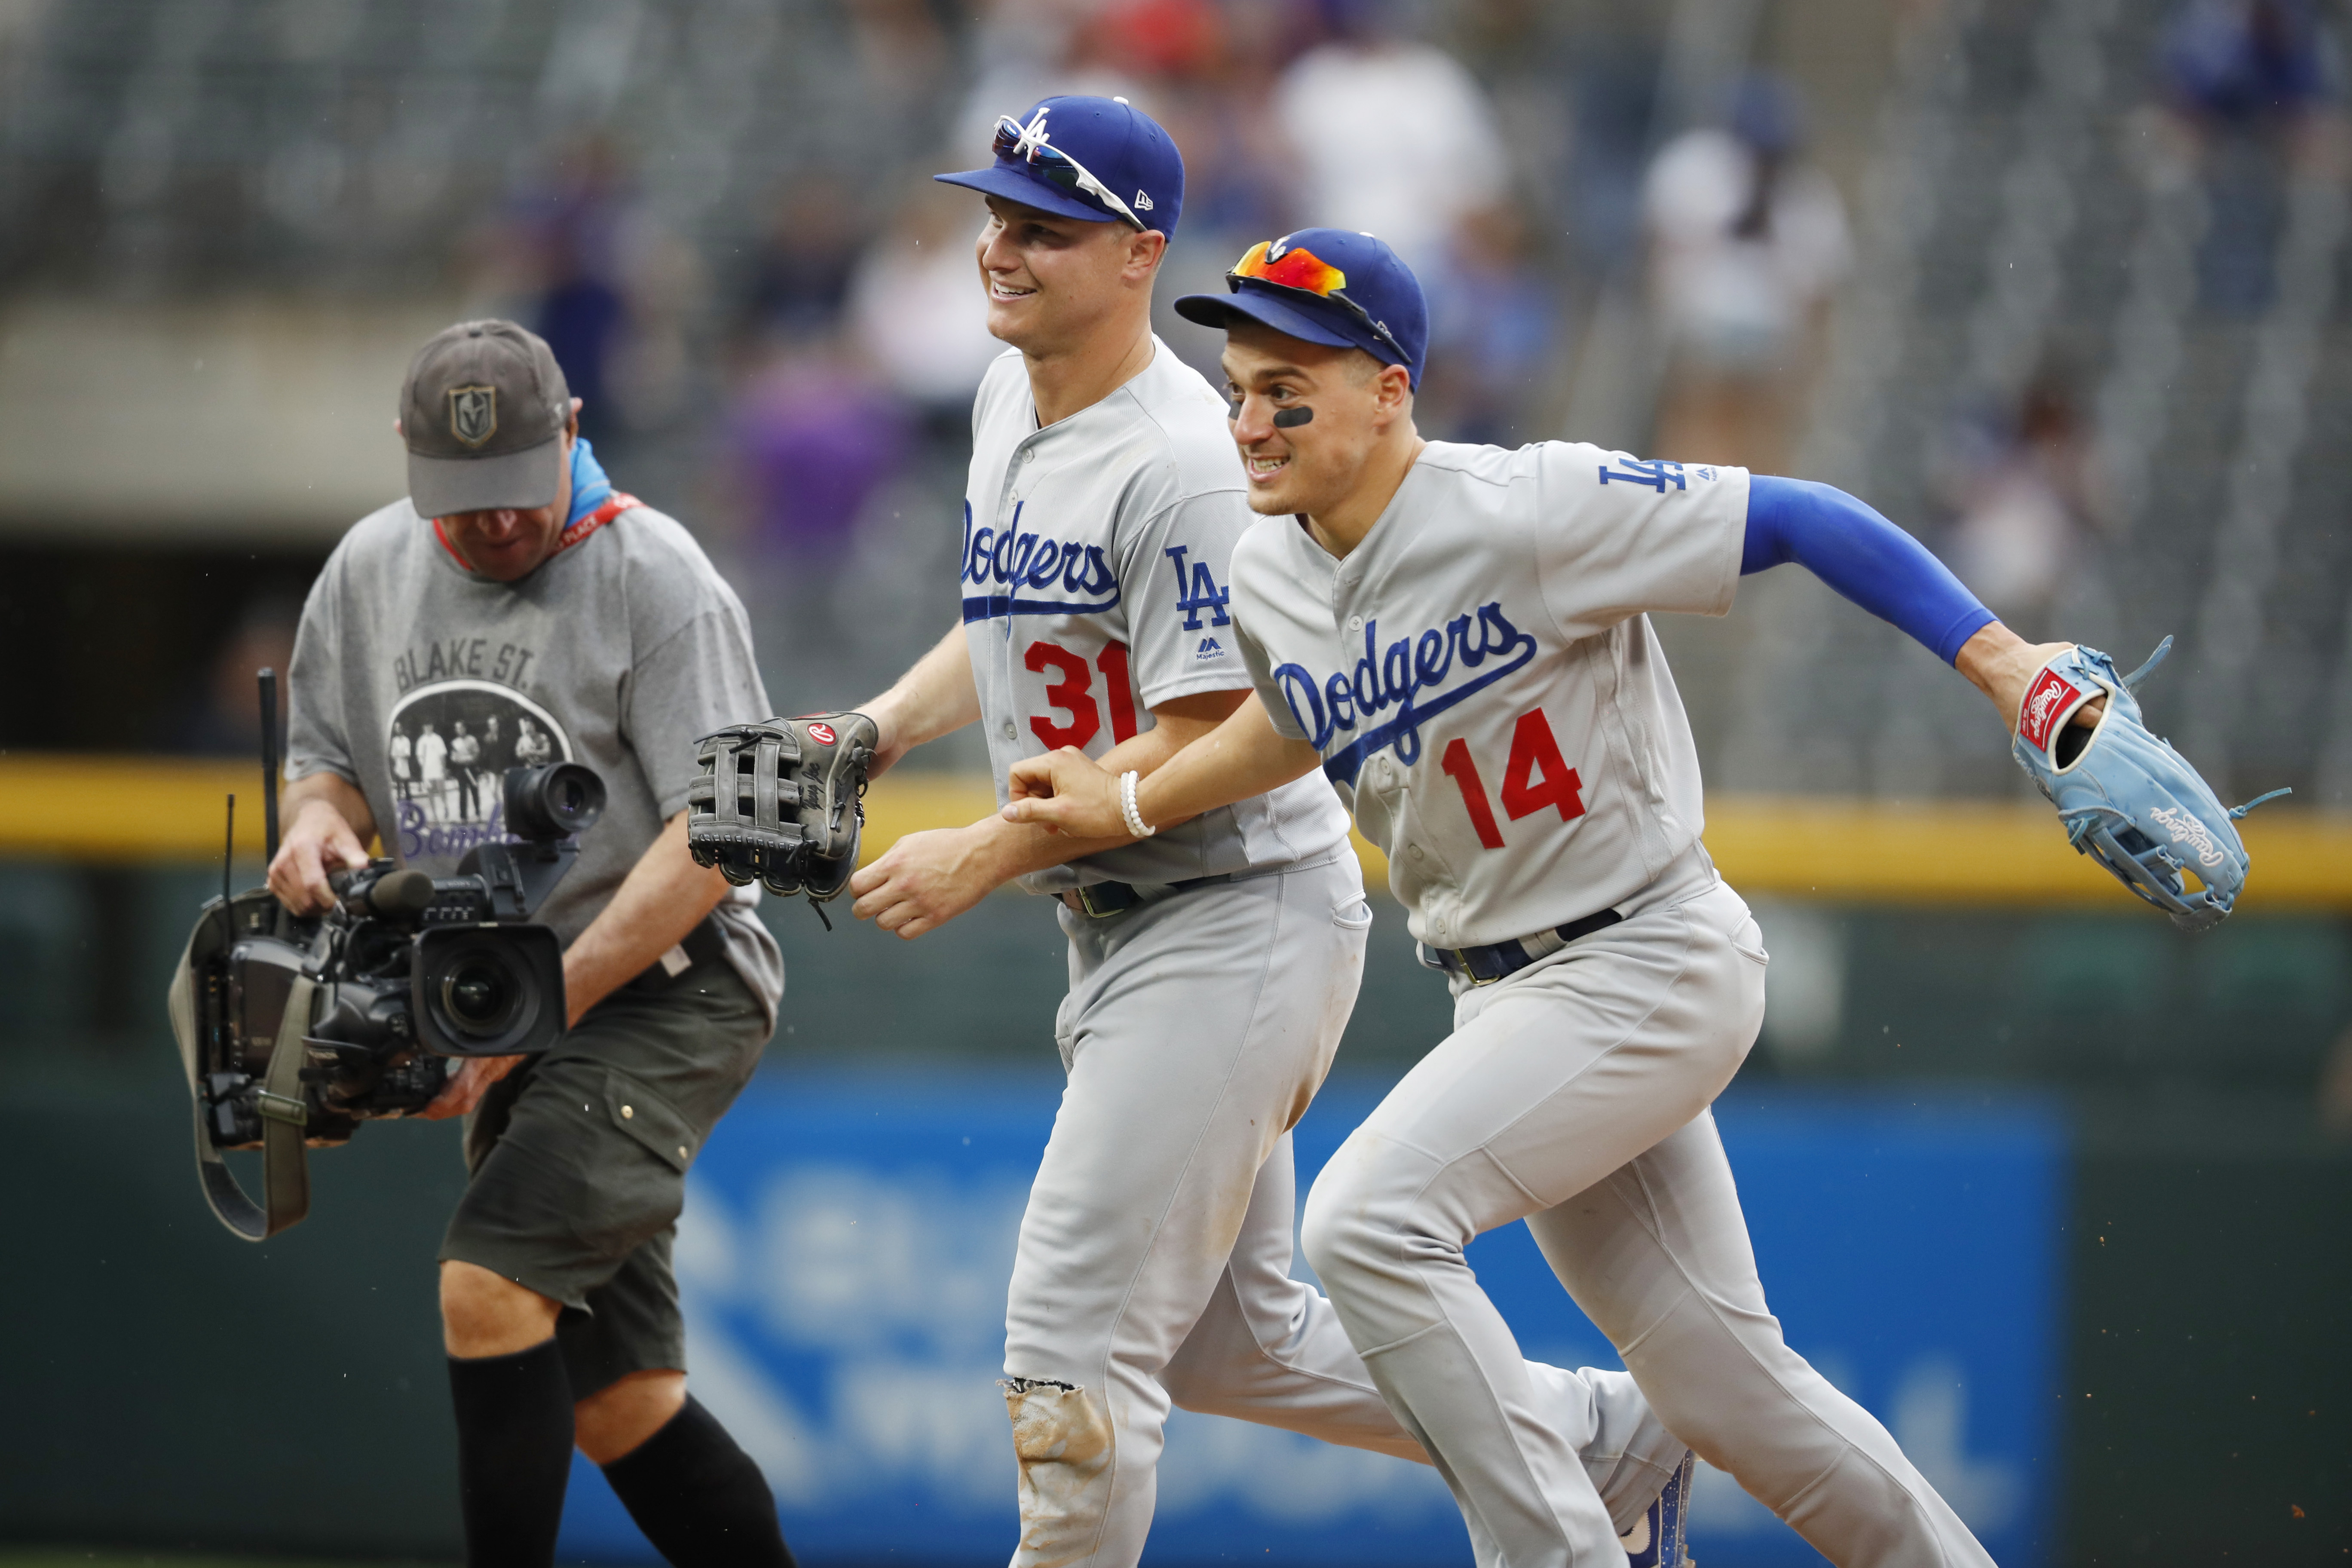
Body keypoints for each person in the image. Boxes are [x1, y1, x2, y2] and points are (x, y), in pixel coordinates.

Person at [1004, 227, 2105, 1565]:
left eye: (1287, 387)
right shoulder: (1269, 571)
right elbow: (1288, 723)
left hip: (1648, 952)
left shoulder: (1525, 504)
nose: (1250, 419)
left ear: (1388, 390)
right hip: (1511, 999)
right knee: (1726, 1391)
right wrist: (1125, 802)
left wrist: (2003, 664)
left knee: (1371, 1223)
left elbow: (1805, 517)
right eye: (1237, 386)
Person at [835, 98, 1693, 1568]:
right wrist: (867, 732)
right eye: (995, 217)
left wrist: (984, 848)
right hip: (1129, 919)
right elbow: (1007, 628)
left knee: (1067, 1357)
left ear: (1139, 255)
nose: (1000, 247)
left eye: (1046, 227)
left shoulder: (1182, 460)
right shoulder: (1009, 398)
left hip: (1227, 910)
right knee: (1235, 1349)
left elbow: (1222, 738)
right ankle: (1598, 1439)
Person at [267, 320, 793, 1568]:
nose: (496, 523)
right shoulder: (366, 566)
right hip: (506, 997)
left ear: (571, 433)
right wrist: (312, 828)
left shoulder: (662, 573)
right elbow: (326, 764)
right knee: (619, 1408)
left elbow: (739, 836)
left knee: (487, 1288)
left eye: (516, 487)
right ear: (405, 456)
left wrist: (540, 1009)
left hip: (671, 988)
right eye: (463, 500)